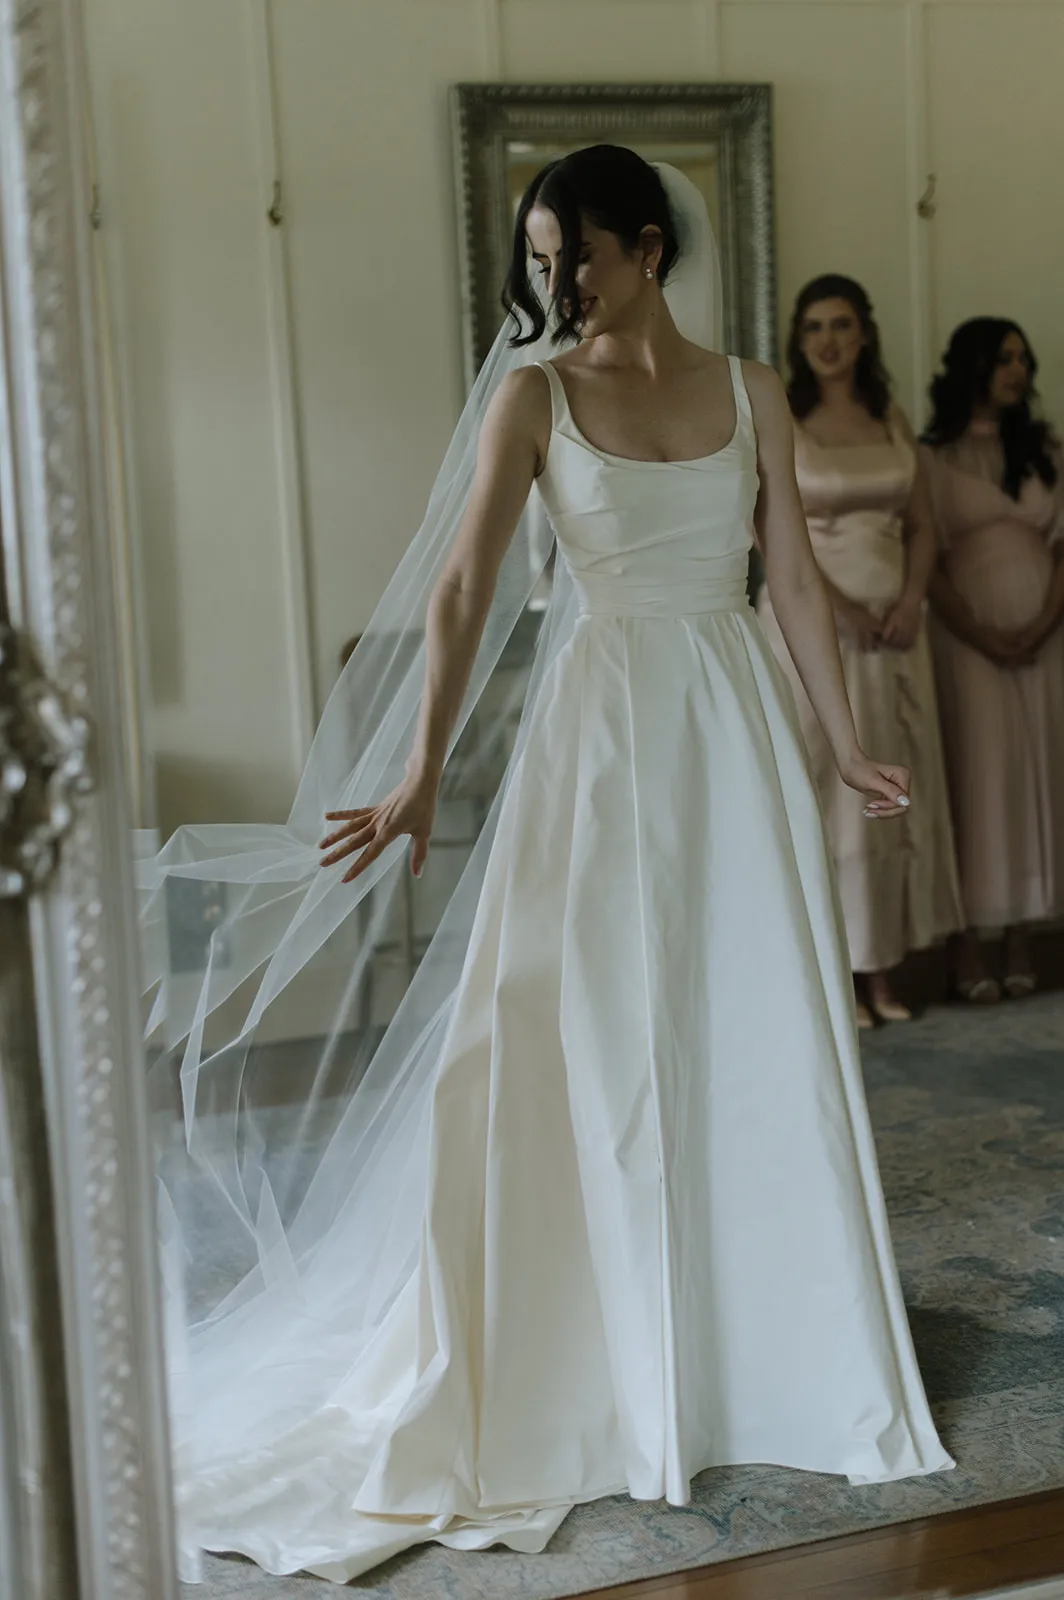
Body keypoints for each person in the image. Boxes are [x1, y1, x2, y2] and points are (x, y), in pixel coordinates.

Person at [145, 147, 952, 1586]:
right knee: (578, 1035)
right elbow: (462, 586)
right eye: (537, 257)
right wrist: (416, 768)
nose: (554, 280)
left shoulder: (754, 388)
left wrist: (836, 748)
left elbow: (799, 587)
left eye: (572, 253)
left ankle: (759, 1345)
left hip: (726, 728)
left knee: (743, 1028)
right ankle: (591, 1347)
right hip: (598, 735)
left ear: (646, 247)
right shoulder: (535, 396)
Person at [757, 277, 962, 1028]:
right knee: (821, 801)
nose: (828, 340)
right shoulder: (780, 415)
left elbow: (925, 525)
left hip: (896, 635)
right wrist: (837, 607)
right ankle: (829, 975)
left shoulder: (890, 417)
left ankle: (882, 971)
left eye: (841, 324)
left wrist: (911, 601)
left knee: (890, 800)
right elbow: (765, 529)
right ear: (799, 339)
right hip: (814, 633)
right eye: (813, 327)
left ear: (864, 333)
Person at [922, 318, 1064, 998]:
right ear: (972, 366)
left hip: (1046, 628)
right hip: (965, 632)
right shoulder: (930, 455)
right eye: (1004, 358)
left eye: (1022, 357)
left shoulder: (1044, 448)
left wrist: (1043, 620)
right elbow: (925, 558)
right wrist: (976, 631)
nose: (1017, 370)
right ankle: (972, 941)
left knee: (1041, 767)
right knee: (981, 772)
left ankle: (1024, 933)